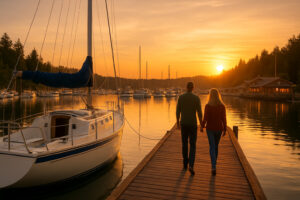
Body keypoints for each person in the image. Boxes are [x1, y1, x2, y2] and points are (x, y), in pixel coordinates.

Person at [176, 82, 203, 175]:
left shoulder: (181, 97)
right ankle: (191, 165)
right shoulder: (196, 98)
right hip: (193, 124)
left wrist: (177, 122)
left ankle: (185, 163)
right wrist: (202, 124)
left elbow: (177, 111)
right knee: (193, 145)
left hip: (183, 123)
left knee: (184, 143)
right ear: (193, 88)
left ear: (186, 87)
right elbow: (199, 112)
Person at [201, 88, 227, 175]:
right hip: (219, 129)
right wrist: (225, 129)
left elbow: (205, 118)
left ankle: (213, 166)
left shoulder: (208, 106)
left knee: (212, 146)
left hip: (210, 129)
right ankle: (214, 164)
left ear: (210, 96)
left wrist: (202, 126)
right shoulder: (222, 106)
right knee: (216, 146)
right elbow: (224, 118)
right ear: (218, 95)